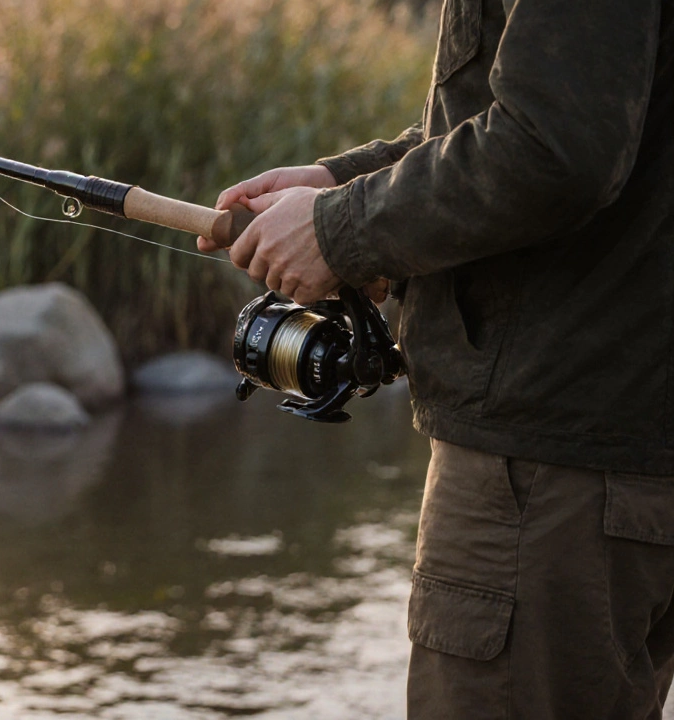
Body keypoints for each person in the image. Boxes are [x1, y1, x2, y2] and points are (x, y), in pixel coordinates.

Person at [198, 0, 674, 717]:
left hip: (550, 471)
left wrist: (342, 230)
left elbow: (550, 149)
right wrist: (345, 182)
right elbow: (558, 111)